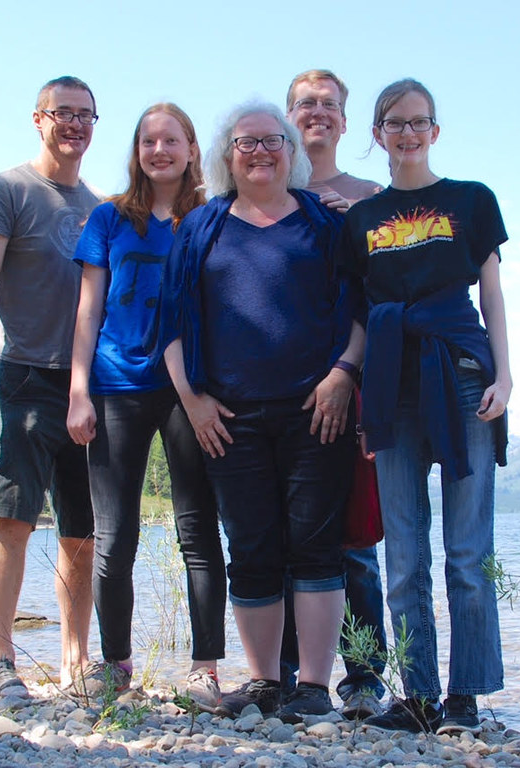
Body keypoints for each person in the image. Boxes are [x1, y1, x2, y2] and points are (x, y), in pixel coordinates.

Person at [153, 101, 364, 722]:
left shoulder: (324, 226)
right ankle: (267, 681)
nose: (260, 152)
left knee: (315, 547)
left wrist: (342, 376)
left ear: (290, 151)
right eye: (246, 143)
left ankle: (315, 686)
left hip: (316, 409)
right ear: (226, 156)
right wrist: (192, 402)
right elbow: (171, 326)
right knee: (250, 547)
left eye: (272, 141)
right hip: (229, 420)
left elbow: (359, 311)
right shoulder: (201, 228)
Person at [338, 78, 512, 734]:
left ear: (435, 131)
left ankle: (465, 697)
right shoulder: (361, 221)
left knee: (468, 550)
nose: (407, 134)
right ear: (377, 134)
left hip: (464, 376)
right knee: (405, 553)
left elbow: (492, 294)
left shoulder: (472, 202)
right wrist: (355, 394)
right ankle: (417, 696)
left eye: (418, 123)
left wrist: (507, 375)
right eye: (394, 123)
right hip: (390, 388)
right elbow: (358, 314)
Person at [66, 103, 227, 710]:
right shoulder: (109, 220)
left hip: (189, 392)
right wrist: (79, 390)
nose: (159, 150)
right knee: (114, 536)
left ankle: (205, 668)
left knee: (197, 530)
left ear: (191, 148)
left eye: (172, 140)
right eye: (148, 141)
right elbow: (88, 311)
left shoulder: (210, 219)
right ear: (136, 151)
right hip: (116, 386)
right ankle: (116, 666)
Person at [0, 76, 102, 696]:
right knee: (11, 520)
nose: (74, 125)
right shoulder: (7, 190)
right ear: (38, 120)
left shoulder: (100, 209)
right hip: (22, 374)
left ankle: (75, 660)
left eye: (85, 115)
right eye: (62, 113)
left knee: (82, 529)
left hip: (88, 386)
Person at [280, 68, 387, 721]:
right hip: (278, 390)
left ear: (344, 122)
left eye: (328, 105)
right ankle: (293, 674)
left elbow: (383, 294)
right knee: (289, 533)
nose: (316, 113)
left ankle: (366, 675)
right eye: (304, 105)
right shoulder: (265, 191)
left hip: (351, 383)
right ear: (288, 117)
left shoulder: (369, 196)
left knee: (355, 540)